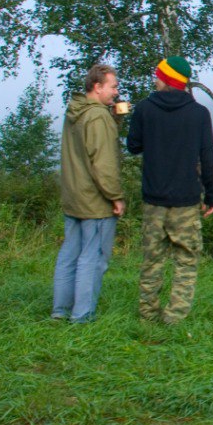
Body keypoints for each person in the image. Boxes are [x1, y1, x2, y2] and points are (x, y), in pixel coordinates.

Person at [127, 56, 213, 324]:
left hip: (153, 201)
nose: (154, 79)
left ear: (165, 79)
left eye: (157, 75)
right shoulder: (200, 114)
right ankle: (174, 318)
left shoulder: (144, 109)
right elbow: (208, 158)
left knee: (152, 261)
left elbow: (133, 146)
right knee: (186, 262)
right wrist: (210, 196)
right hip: (186, 202)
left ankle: (148, 315)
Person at [53, 63, 125, 322]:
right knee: (92, 259)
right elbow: (103, 163)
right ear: (98, 86)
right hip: (94, 201)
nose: (117, 92)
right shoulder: (98, 117)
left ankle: (60, 310)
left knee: (69, 255)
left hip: (73, 196)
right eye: (113, 86)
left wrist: (113, 118)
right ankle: (82, 315)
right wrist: (115, 196)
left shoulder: (76, 111)